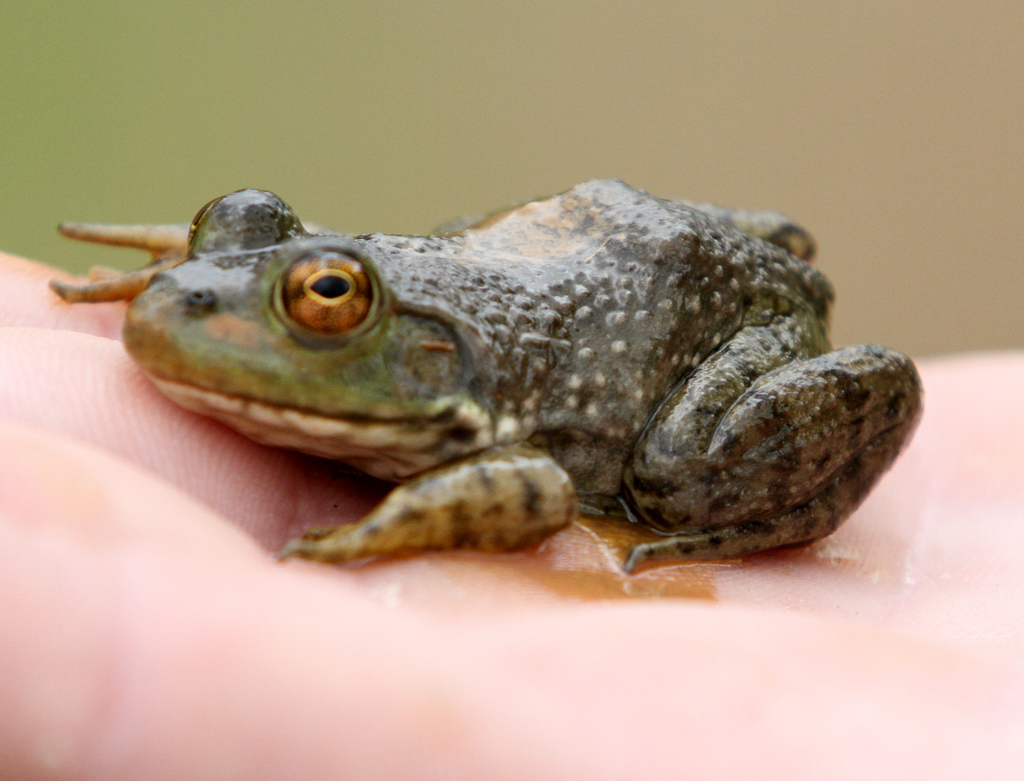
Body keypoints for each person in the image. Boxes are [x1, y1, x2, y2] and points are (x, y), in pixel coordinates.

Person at [2, 251, 1022, 778]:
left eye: (319, 302)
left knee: (674, 472)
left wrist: (375, 533)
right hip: (614, 266)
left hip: (697, 335)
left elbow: (535, 488)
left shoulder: (484, 417)